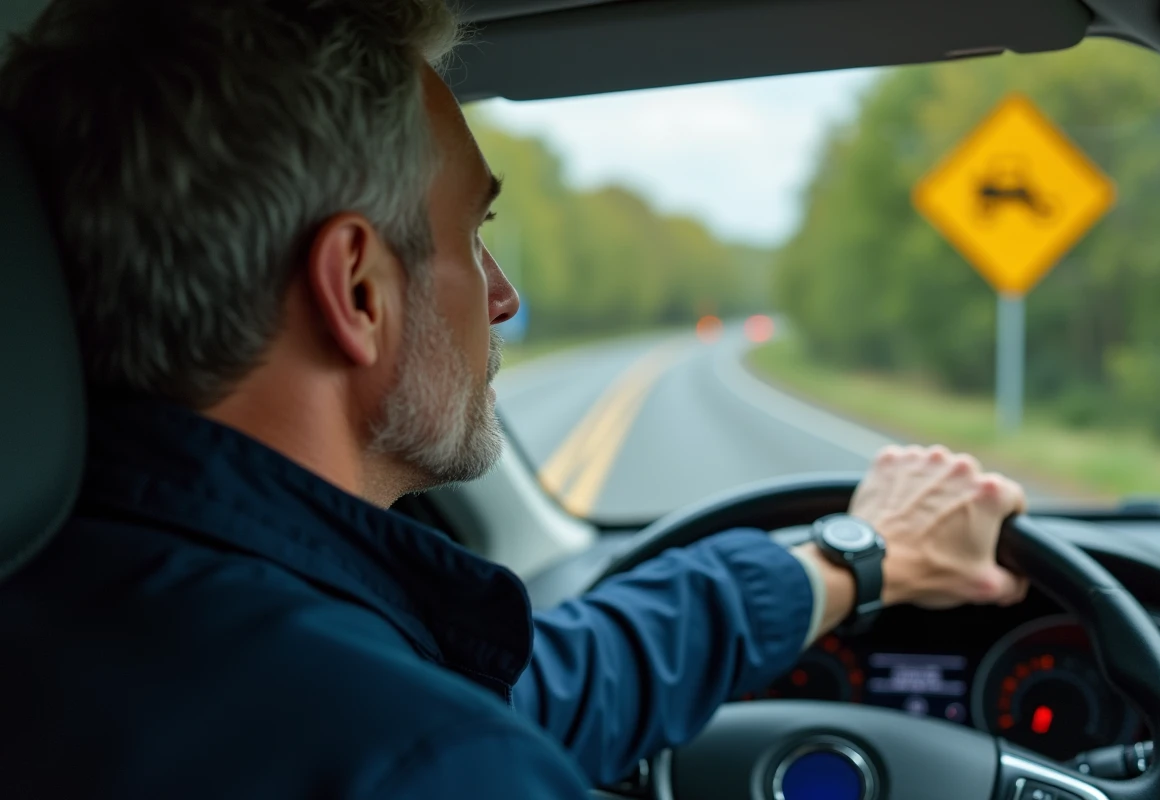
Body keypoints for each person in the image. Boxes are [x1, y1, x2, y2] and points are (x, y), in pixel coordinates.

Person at [0, 0, 1029, 797]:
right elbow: (455, 727)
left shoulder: (79, 603)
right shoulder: (431, 761)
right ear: (357, 290)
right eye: (471, 234)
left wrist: (850, 557)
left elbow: (546, 686)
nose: (503, 295)